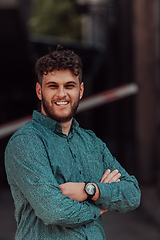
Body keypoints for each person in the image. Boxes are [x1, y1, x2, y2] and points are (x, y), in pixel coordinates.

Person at [5, 46, 141, 240]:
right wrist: (101, 205)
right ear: (39, 91)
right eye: (53, 86)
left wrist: (89, 190)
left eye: (69, 86)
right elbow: (54, 211)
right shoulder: (25, 143)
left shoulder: (92, 142)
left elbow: (132, 193)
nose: (62, 94)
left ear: (81, 90)